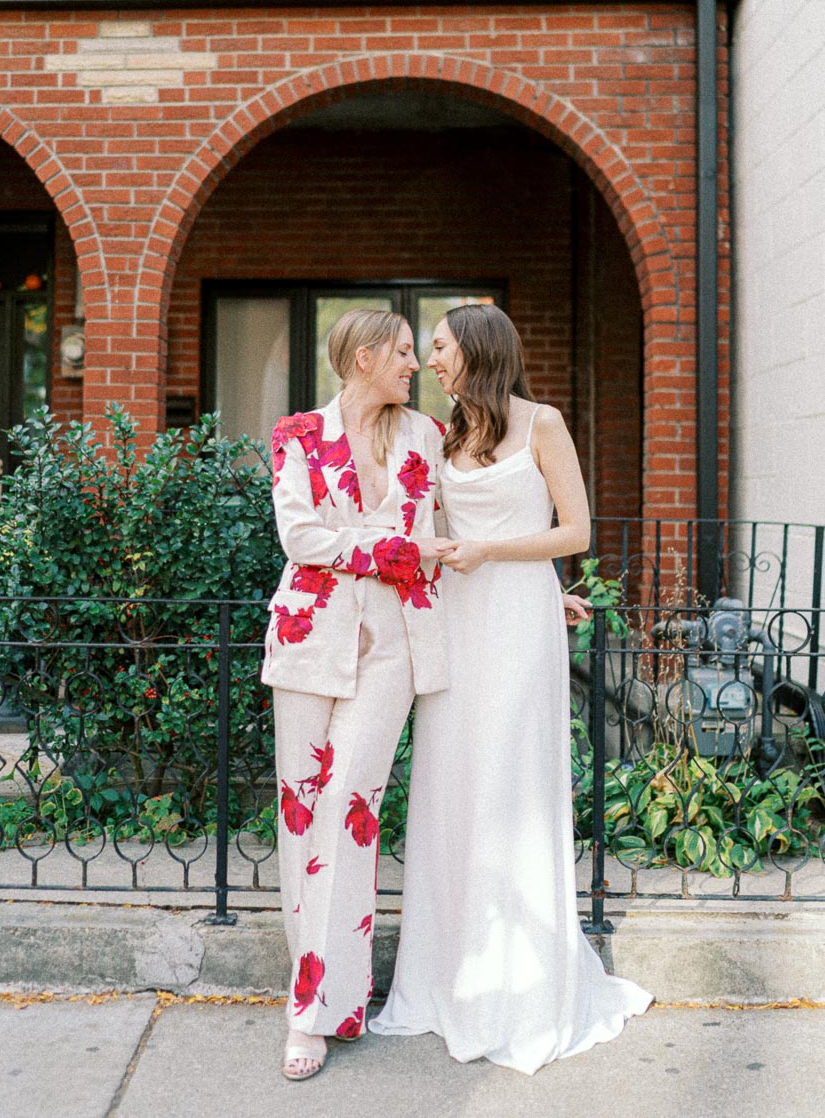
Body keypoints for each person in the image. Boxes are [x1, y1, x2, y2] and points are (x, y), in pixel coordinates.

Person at [370, 303, 652, 1073]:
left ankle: (522, 988)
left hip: (518, 628)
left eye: (438, 347)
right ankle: (451, 978)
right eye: (424, 350)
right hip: (459, 624)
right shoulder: (447, 433)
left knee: (510, 786)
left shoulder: (543, 425)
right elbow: (433, 530)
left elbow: (575, 531)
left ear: (478, 351)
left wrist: (502, 559)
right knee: (450, 788)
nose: (429, 359)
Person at [262, 308, 449, 1080]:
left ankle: (318, 1011)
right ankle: (315, 997)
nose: (416, 366)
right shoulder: (298, 435)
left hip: (397, 650)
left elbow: (459, 533)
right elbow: (300, 537)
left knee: (350, 810)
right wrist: (397, 550)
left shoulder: (427, 439)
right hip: (310, 640)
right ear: (366, 357)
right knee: (302, 814)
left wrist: (543, 593)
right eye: (405, 353)